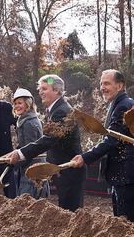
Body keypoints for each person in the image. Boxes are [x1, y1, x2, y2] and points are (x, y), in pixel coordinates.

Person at [71, 70, 134, 224]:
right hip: (121, 175)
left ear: (119, 85)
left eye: (107, 83)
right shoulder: (117, 104)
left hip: (126, 175)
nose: (102, 87)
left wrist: (85, 157)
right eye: (101, 83)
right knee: (121, 223)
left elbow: (111, 140)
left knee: (127, 223)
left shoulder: (124, 105)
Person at [5, 75, 86, 211]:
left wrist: (19, 154)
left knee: (71, 215)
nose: (40, 92)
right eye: (39, 88)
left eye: (44, 88)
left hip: (70, 172)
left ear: (57, 90)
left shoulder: (61, 111)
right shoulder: (55, 110)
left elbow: (48, 140)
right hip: (63, 171)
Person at [12, 88, 49, 198]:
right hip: (30, 168)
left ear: (28, 104)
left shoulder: (29, 123)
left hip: (32, 171)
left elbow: (30, 150)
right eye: (15, 104)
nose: (16, 106)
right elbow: (23, 146)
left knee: (28, 204)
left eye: (20, 103)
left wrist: (14, 163)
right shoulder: (25, 120)